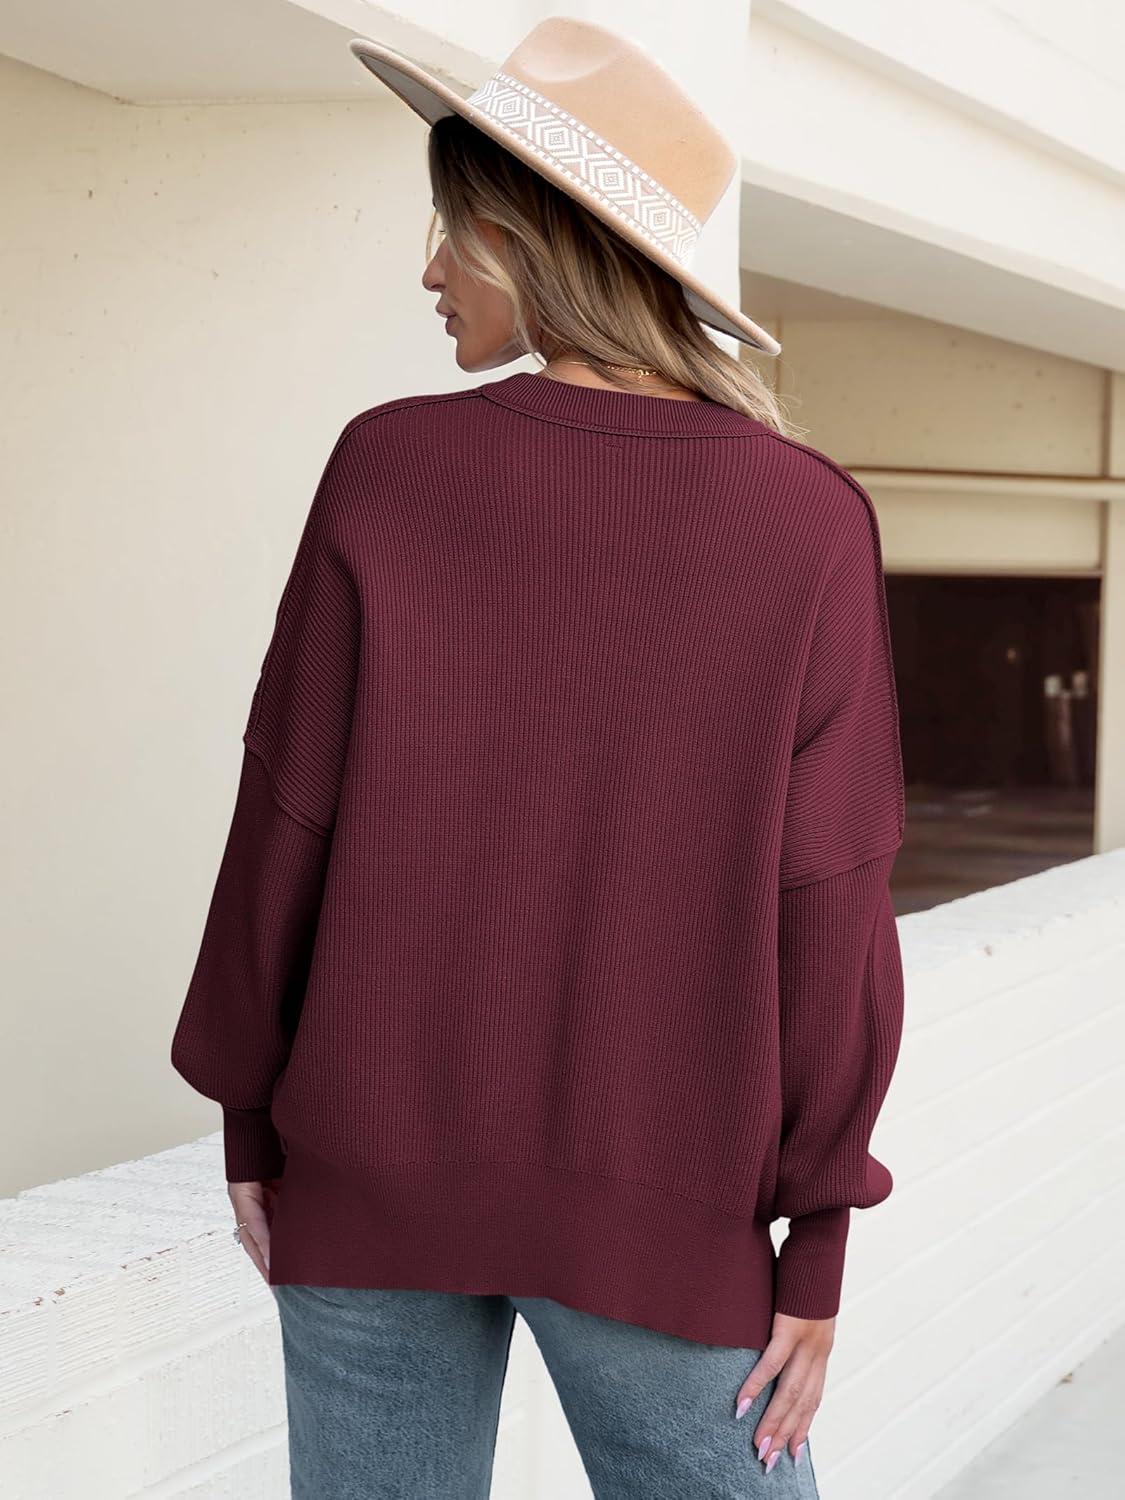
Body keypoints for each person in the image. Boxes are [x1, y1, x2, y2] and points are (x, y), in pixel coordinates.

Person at [170, 17, 905, 1499]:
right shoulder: (808, 520)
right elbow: (831, 903)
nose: (428, 272)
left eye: (447, 232)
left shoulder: (387, 463)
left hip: (365, 1178)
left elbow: (285, 814)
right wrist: (815, 1233)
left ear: (519, 236)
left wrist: (252, 1109)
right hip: (662, 1204)